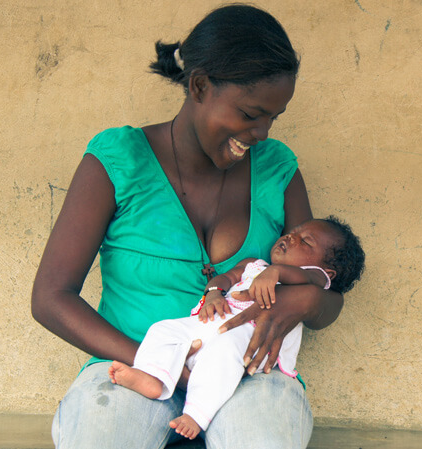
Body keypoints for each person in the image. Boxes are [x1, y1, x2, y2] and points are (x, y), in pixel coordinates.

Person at [31, 4, 350, 449]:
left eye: (273, 118)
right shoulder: (119, 160)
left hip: (246, 378)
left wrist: (307, 301)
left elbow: (327, 298)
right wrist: (160, 365)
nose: (261, 132)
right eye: (250, 113)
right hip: (136, 369)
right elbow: (50, 298)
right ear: (199, 86)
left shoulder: (277, 168)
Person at [108, 217, 365, 440]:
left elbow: (310, 278)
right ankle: (153, 377)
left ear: (325, 270)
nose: (291, 237)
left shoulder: (315, 279)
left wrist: (277, 272)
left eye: (306, 241)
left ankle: (196, 415)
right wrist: (213, 294)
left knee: (224, 353)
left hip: (248, 339)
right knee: (163, 330)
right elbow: (226, 279)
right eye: (293, 232)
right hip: (210, 326)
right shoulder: (254, 265)